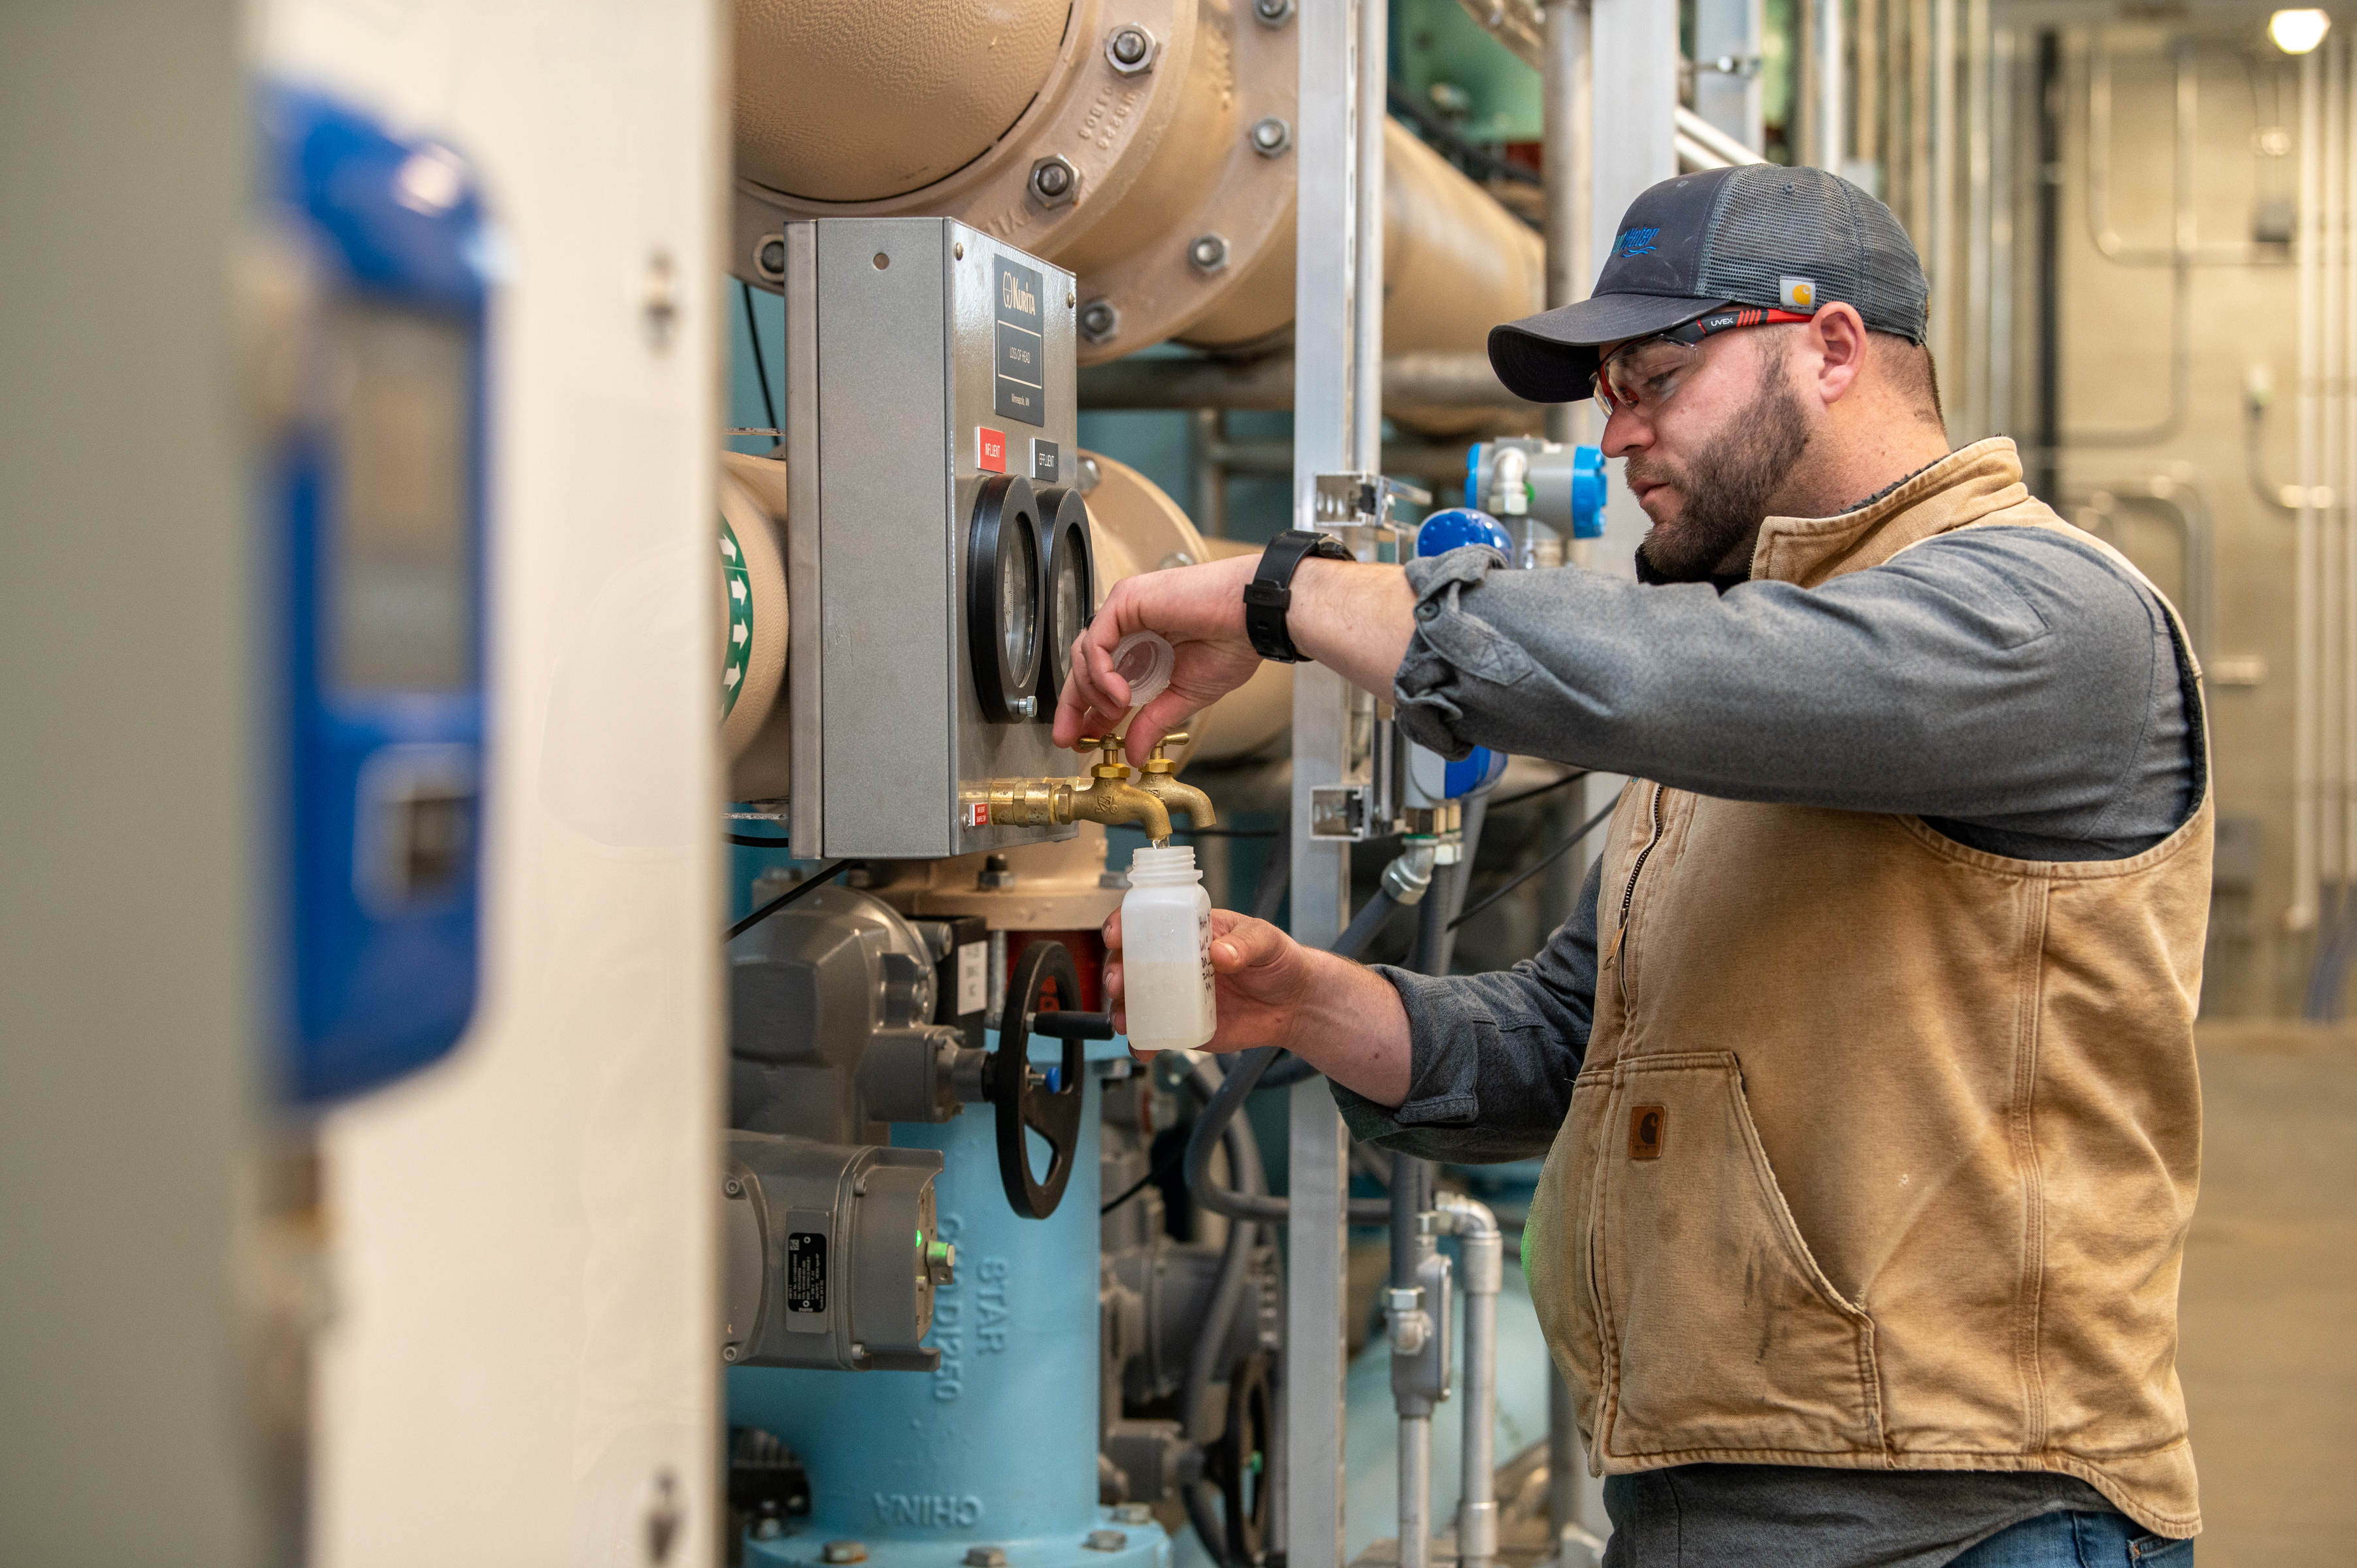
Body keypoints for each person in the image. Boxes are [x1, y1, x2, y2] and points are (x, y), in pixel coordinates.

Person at [1055, 165, 2206, 1568]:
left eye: (1653, 377)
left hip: (1967, 1519)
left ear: (1830, 348)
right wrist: (1304, 1001)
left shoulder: (2046, 615)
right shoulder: (1750, 661)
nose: (1618, 438)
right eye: (1603, 391)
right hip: (1698, 1498)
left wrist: (1286, 598)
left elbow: (1662, 677)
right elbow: (1569, 1041)